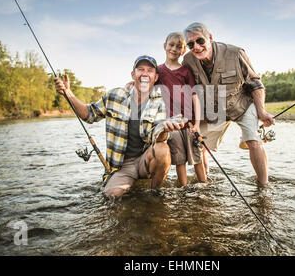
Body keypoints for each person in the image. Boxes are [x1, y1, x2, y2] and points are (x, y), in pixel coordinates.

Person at [54, 55, 187, 197]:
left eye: (150, 70)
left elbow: (157, 137)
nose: (145, 74)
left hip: (145, 161)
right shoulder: (114, 95)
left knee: (162, 149)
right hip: (121, 167)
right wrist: (67, 93)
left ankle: (155, 192)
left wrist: (165, 129)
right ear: (133, 74)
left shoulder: (160, 102)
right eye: (140, 69)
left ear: (155, 77)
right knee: (111, 196)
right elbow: (89, 114)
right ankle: (122, 183)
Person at [182, 22, 275, 186]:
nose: (196, 47)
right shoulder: (187, 60)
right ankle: (205, 183)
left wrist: (262, 112)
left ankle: (264, 186)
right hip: (212, 110)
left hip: (242, 105)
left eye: (200, 41)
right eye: (191, 44)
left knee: (254, 141)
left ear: (210, 38)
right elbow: (180, 83)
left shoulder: (235, 53)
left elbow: (255, 84)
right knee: (197, 143)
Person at [156, 32, 207, 186]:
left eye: (179, 47)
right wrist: (131, 84)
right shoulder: (158, 71)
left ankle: (204, 185)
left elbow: (194, 97)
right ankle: (184, 188)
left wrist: (197, 123)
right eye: (171, 45)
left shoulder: (185, 71)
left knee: (197, 157)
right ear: (164, 46)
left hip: (190, 124)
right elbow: (145, 83)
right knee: (179, 160)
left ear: (183, 51)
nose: (174, 49)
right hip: (172, 125)